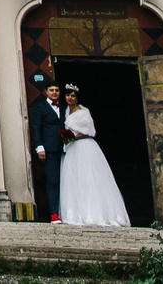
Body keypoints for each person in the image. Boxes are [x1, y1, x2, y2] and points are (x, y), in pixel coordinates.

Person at [59, 87, 133, 227]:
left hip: (84, 146)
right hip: (72, 149)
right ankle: (77, 213)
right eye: (68, 95)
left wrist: (73, 137)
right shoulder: (66, 111)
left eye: (73, 96)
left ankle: (95, 213)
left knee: (89, 178)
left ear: (77, 98)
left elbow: (89, 131)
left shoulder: (83, 112)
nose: (70, 98)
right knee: (75, 179)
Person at [26, 80, 69, 222]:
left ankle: (67, 212)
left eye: (57, 90)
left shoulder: (64, 108)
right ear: (46, 92)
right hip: (49, 150)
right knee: (53, 181)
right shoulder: (40, 107)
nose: (54, 93)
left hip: (65, 150)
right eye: (52, 90)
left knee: (67, 181)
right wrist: (40, 148)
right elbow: (36, 128)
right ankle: (54, 214)